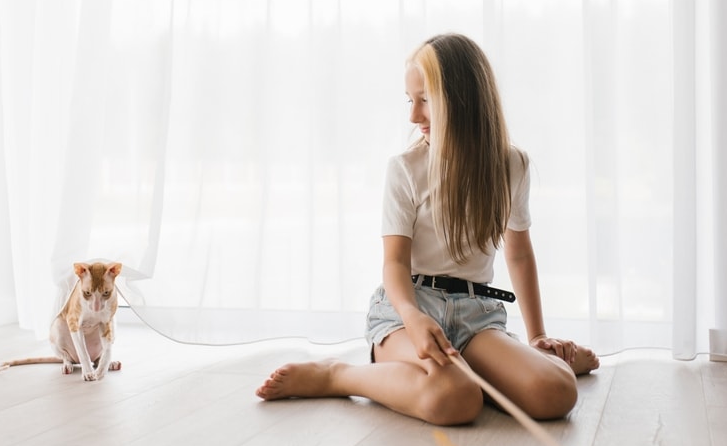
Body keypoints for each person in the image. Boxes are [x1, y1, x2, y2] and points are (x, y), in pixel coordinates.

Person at [256, 33, 598, 425]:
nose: (413, 116)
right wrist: (414, 318)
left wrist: (537, 337)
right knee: (454, 398)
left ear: (463, 100)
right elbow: (395, 264)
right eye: (410, 99)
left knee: (556, 392)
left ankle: (505, 369)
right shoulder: (405, 169)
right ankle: (338, 374)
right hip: (408, 309)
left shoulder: (512, 165)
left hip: (477, 317)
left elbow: (518, 253)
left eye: (425, 100)